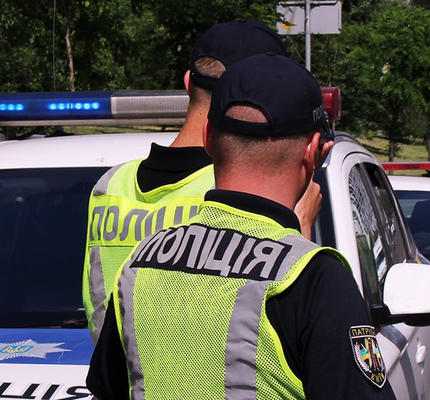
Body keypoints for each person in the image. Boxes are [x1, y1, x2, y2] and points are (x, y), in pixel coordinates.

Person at [86, 54, 396, 400]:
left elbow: (108, 387)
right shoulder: (314, 279)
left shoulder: (142, 261)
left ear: (207, 138)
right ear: (313, 151)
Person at [81, 20, 322, 342]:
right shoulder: (240, 189)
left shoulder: (110, 185)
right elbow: (285, 305)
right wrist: (300, 226)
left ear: (186, 82)